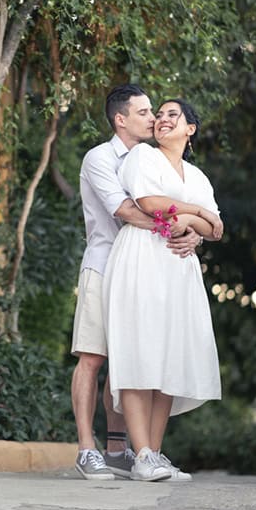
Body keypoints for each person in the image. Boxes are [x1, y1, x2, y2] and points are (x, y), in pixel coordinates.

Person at [71, 85, 202, 480]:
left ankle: (117, 450)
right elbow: (127, 210)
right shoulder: (100, 158)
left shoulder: (151, 160)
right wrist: (186, 225)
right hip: (104, 264)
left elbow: (176, 207)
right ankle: (86, 449)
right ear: (121, 119)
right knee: (92, 358)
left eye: (155, 112)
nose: (154, 118)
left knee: (130, 358)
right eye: (144, 112)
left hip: (144, 273)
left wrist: (193, 232)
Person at [102, 99, 223, 482]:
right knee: (140, 351)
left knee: (169, 356)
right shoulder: (143, 157)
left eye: (174, 114)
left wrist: (192, 223)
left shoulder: (198, 176)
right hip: (142, 259)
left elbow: (215, 229)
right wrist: (196, 213)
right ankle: (140, 454)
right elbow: (149, 203)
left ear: (190, 129)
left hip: (179, 269)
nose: (162, 119)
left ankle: (153, 454)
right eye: (160, 114)